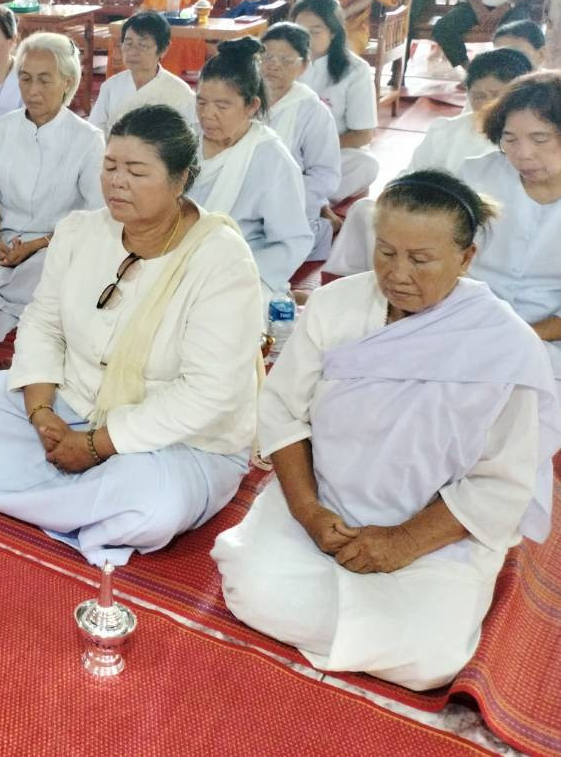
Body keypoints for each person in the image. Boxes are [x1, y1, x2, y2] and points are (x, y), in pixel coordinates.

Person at [213, 171, 559, 690]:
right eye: (386, 252)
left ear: (466, 258)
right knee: (254, 592)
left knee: (429, 658)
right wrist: (308, 511)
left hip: (432, 533)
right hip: (324, 502)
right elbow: (283, 411)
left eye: (420, 259)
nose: (397, 274)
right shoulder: (335, 306)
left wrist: (404, 541)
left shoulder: (505, 346)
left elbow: (502, 481)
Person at [0, 104, 263, 566]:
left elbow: (208, 393)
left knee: (153, 505)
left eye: (137, 172)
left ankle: (63, 493)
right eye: (110, 167)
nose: (117, 182)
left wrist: (97, 445)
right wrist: (41, 413)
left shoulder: (222, 261)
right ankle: (77, 504)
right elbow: (43, 323)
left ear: (181, 179)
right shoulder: (79, 231)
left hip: (174, 442)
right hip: (74, 404)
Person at [325, 47, 531, 276]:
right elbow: (410, 176)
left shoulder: (525, 141)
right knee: (364, 211)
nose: (487, 104)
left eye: (496, 95)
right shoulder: (446, 130)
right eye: (478, 95)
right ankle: (358, 283)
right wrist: (402, 197)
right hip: (430, 214)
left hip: (487, 224)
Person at [0, 32, 106, 341]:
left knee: (43, 280)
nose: (33, 90)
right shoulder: (1, 129)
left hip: (55, 245)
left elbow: (95, 218)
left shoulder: (87, 139)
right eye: (25, 78)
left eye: (45, 80)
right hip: (4, 241)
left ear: (67, 81)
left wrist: (36, 245)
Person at [188, 38, 313, 294]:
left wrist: (234, 273)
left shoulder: (273, 160)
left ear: (252, 105)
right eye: (201, 103)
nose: (207, 114)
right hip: (176, 260)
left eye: (222, 105)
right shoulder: (185, 140)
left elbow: (291, 242)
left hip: (238, 273)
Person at [461, 72, 561, 376]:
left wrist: (517, 338)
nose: (523, 154)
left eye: (540, 139)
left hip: (547, 336)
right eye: (510, 139)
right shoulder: (476, 176)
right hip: (466, 317)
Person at [261, 22, 342, 257]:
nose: (274, 65)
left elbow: (325, 174)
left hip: (288, 202)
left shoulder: (313, 111)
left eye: (286, 60)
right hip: (246, 194)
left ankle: (322, 227)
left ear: (304, 66)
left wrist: (277, 198)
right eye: (267, 57)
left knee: (272, 250)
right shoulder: (244, 99)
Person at [291, 0, 379, 201]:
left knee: (365, 165)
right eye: (299, 31)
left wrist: (314, 149)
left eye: (315, 32)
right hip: (285, 148)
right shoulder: (280, 62)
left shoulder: (356, 70)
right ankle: (306, 197)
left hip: (333, 150)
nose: (306, 40)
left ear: (333, 32)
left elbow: (362, 135)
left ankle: (305, 198)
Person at [88, 11, 197, 133]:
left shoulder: (180, 93)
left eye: (143, 45)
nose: (132, 52)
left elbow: (191, 137)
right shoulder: (111, 86)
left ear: (163, 50)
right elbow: (95, 130)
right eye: (128, 43)